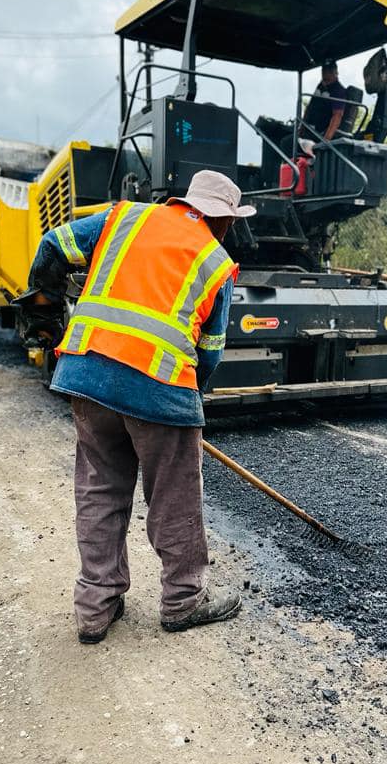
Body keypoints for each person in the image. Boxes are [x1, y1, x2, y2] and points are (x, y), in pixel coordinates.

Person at [18, 170, 256, 643]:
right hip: (159, 388)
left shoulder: (124, 218)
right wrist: (188, 403)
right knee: (174, 499)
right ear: (224, 219)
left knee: (99, 490)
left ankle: (95, 607)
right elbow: (208, 351)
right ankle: (184, 600)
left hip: (85, 376)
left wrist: (43, 312)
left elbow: (51, 244)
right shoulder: (215, 260)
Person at [301, 58, 348, 143]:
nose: (326, 72)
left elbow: (337, 115)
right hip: (308, 130)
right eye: (324, 69)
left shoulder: (338, 91)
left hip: (319, 135)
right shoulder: (320, 86)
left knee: (287, 143)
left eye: (329, 70)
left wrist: (325, 140)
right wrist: (301, 128)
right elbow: (309, 107)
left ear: (335, 72)